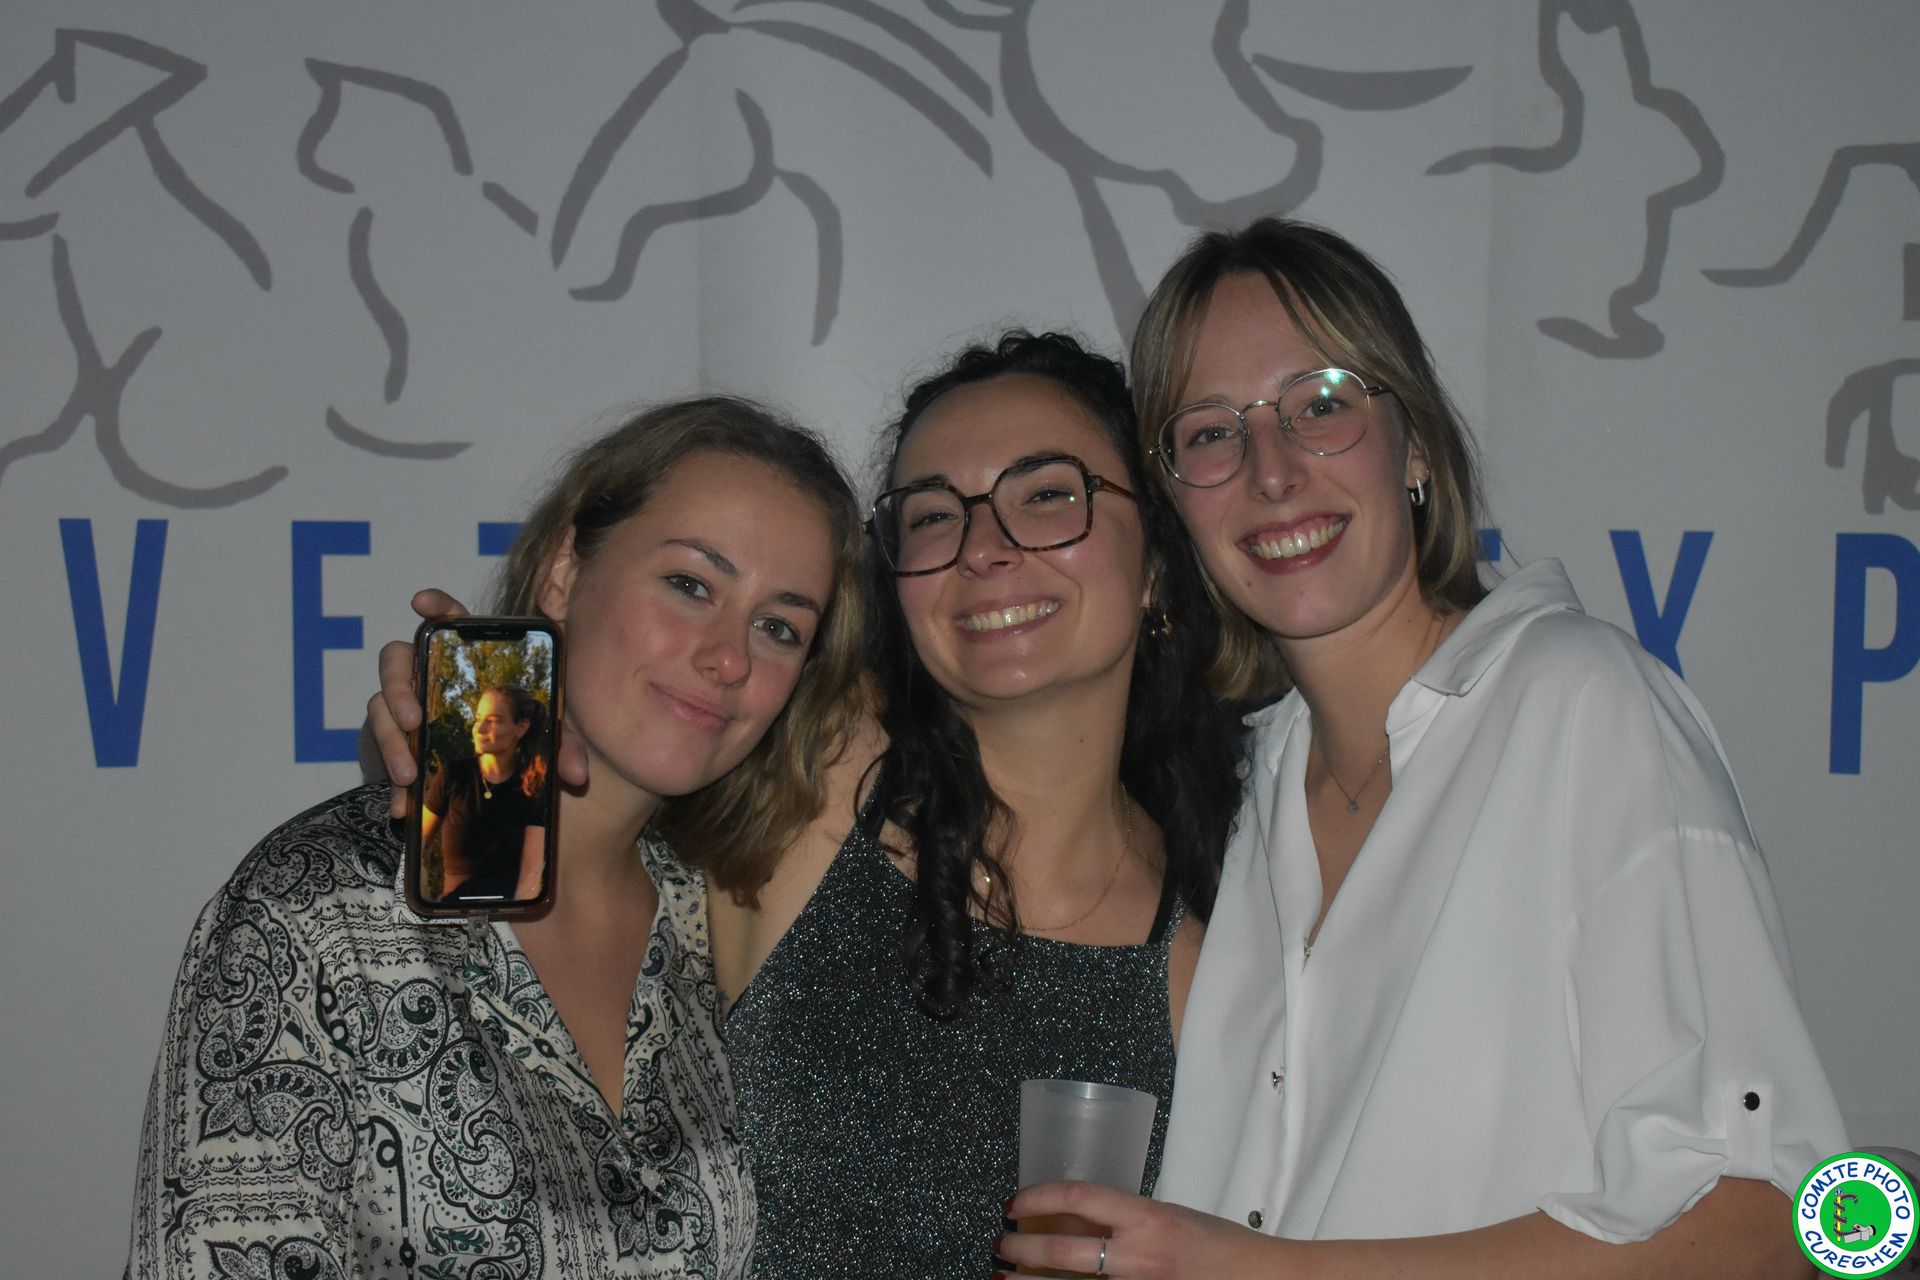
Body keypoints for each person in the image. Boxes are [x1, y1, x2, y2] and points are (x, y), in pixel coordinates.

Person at [997, 218, 1848, 1278]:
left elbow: (1775, 1220)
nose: (1271, 471)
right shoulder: (1253, 788)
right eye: (1211, 432)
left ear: (1417, 445)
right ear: (1177, 505)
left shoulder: (1581, 706)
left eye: (1321, 403)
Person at [368, 332, 1248, 1278]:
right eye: (935, 515)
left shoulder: (1218, 944)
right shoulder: (822, 770)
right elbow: (632, 701)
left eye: (1046, 495)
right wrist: (475, 706)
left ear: (1157, 562)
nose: (986, 549)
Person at [128, 397, 867, 1280]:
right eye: (690, 585)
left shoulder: (722, 921)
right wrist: (480, 700)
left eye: (779, 627)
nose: (730, 657)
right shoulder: (323, 906)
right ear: (562, 573)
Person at [421, 683, 550, 902]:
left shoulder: (533, 786)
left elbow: (532, 871)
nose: (480, 729)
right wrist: (424, 902)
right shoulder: (454, 775)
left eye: (493, 721)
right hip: (451, 910)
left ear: (521, 727)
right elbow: (415, 844)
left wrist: (515, 917)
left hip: (509, 912)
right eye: (478, 719)